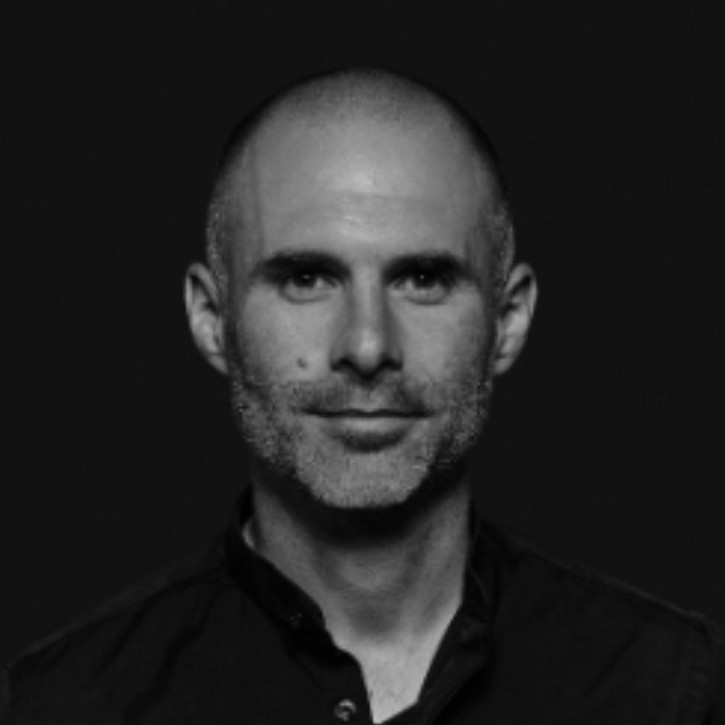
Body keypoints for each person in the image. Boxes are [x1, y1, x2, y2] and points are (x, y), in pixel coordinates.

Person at [1, 67, 722, 724]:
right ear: (211, 318)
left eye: (423, 279)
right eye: (306, 278)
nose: (369, 346)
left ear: (507, 321)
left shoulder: (673, 693)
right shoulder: (59, 709)